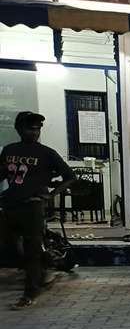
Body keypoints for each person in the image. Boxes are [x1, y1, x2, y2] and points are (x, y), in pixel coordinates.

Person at [1, 112, 76, 310]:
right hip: (10, 205)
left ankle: (29, 293)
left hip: (33, 206)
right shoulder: (9, 150)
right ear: (19, 129)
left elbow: (69, 176)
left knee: (32, 250)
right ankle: (43, 266)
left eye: (37, 129)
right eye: (30, 128)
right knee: (9, 246)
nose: (34, 132)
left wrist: (51, 196)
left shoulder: (46, 153)